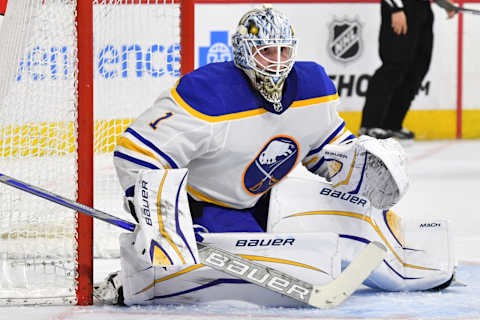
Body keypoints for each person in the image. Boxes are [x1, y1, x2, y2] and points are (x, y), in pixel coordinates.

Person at [94, 5, 455, 306]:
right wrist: (161, 218)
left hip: (268, 200)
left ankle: (417, 260)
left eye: (284, 51)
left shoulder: (313, 87)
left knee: (354, 217)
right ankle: (136, 277)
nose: (277, 63)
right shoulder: (208, 94)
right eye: (266, 51)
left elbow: (326, 152)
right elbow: (136, 153)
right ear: (243, 52)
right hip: (203, 211)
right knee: (290, 268)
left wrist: (359, 164)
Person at [359, 0, 456, 140]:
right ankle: (369, 125)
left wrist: (444, 2)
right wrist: (395, 8)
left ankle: (391, 124)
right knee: (394, 65)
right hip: (401, 7)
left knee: (417, 68)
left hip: (422, 9)